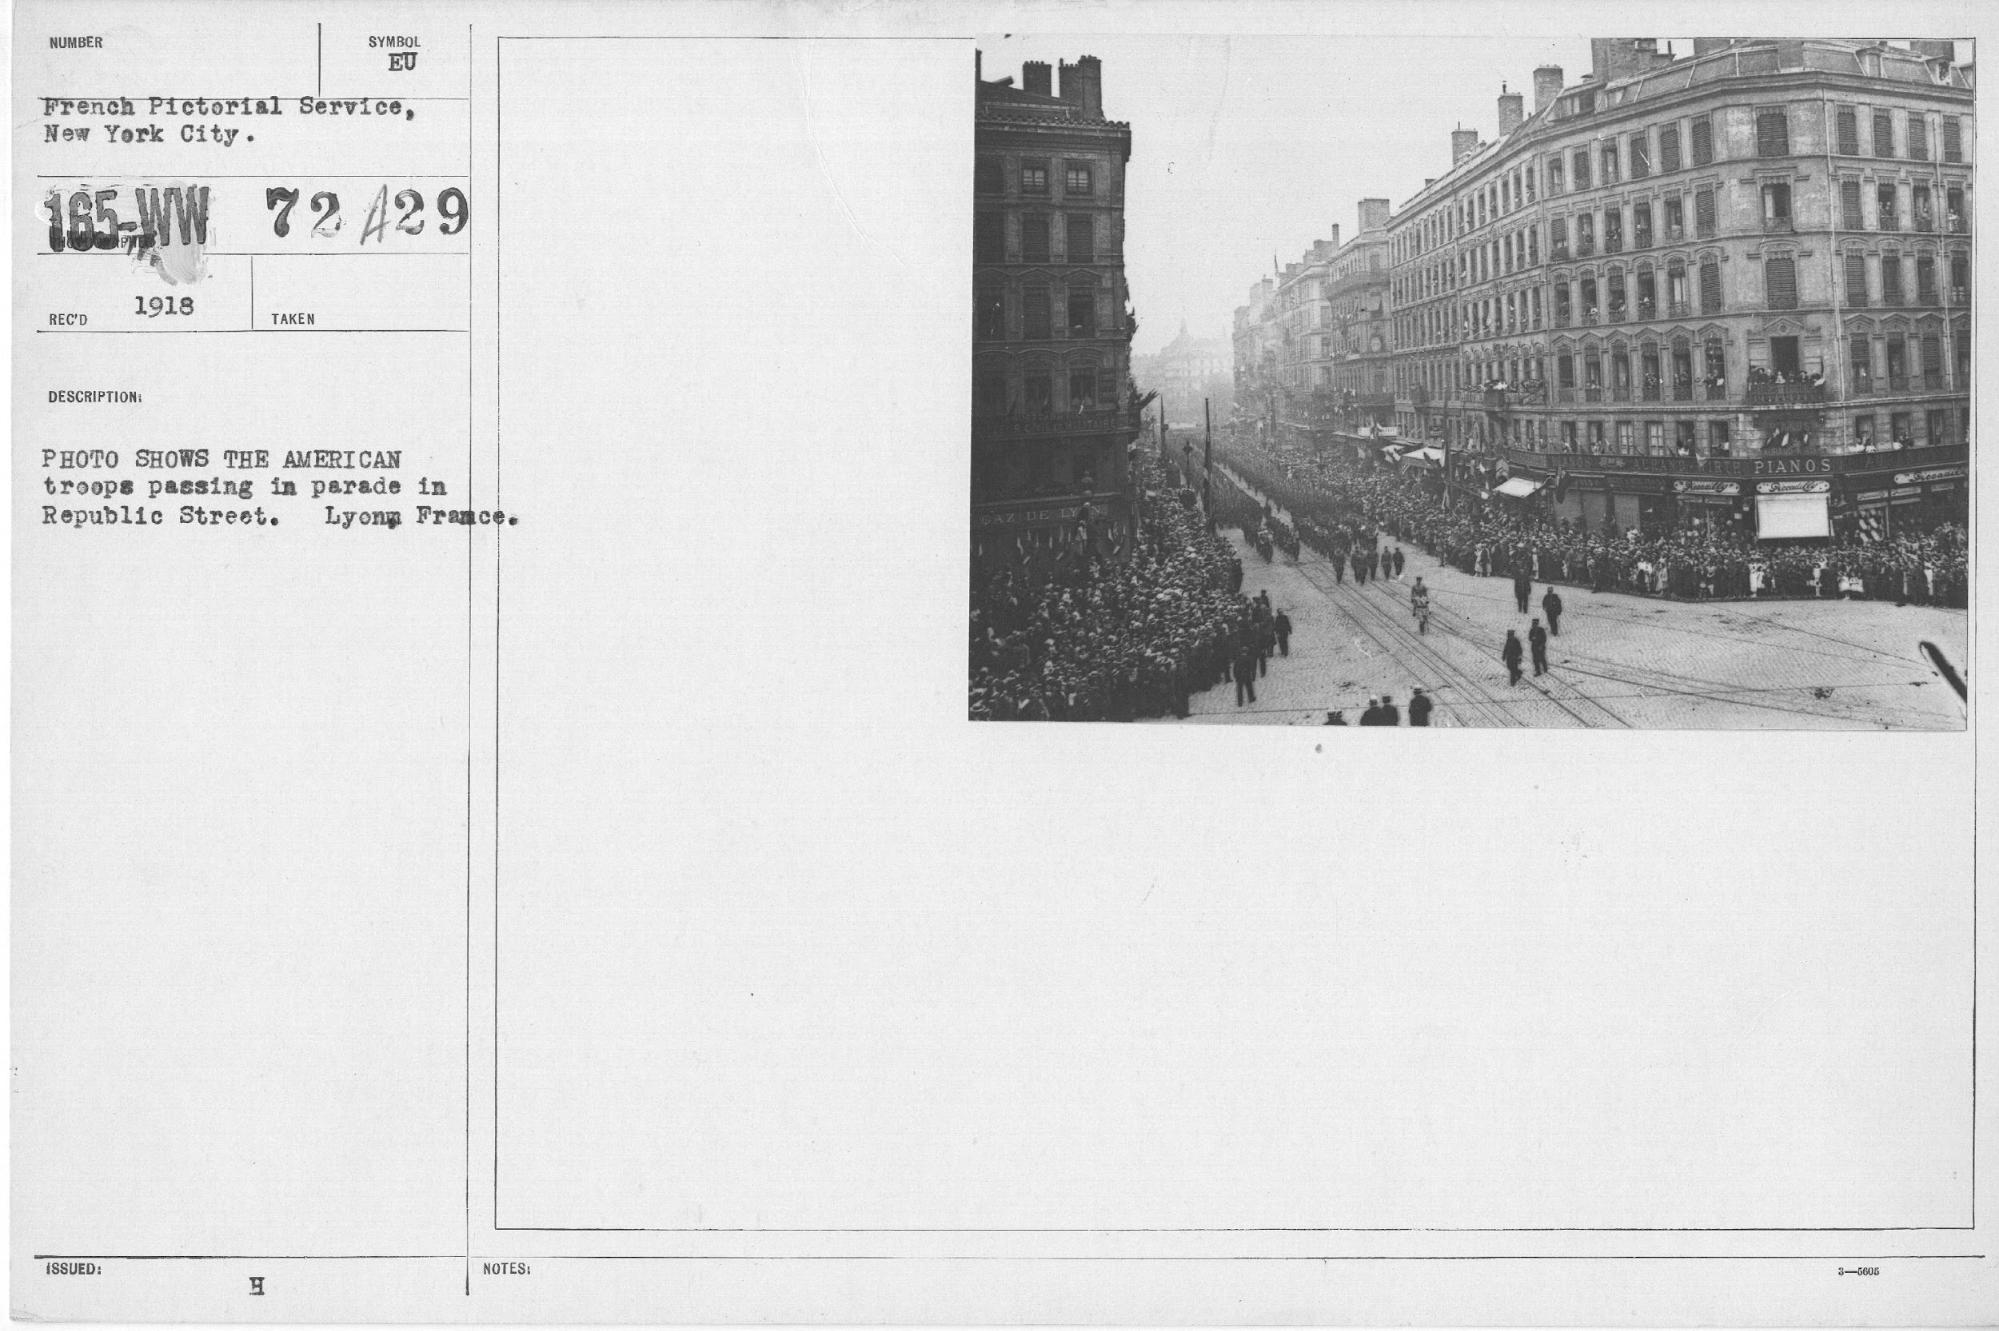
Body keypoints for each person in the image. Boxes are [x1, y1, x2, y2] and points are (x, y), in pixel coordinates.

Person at [1232, 641, 1258, 707]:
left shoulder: (1238, 659)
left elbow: (1234, 668)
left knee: (1239, 689)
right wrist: (1253, 676)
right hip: (1247, 675)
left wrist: (1235, 676)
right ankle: (1251, 698)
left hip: (1239, 676)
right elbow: (1252, 668)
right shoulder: (1249, 658)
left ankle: (1240, 702)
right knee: (1249, 687)